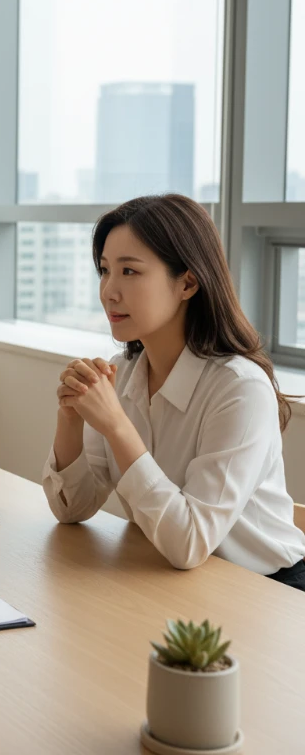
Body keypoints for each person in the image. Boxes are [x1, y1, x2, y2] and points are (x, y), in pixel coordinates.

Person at [42, 194, 305, 590]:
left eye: (129, 271)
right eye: (104, 270)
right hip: (173, 578)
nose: (109, 291)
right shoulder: (126, 370)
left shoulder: (239, 389)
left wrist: (116, 426)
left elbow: (189, 543)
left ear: (188, 282)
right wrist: (71, 417)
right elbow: (72, 509)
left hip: (268, 590)